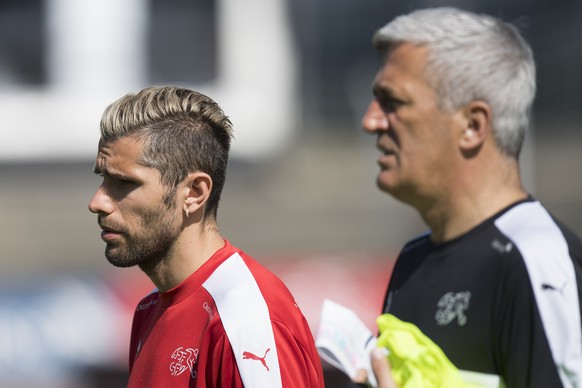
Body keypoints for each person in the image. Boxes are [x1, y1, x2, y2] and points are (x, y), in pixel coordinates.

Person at [356, 7, 582, 388]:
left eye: (392, 101)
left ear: (472, 126)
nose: (371, 121)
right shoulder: (412, 260)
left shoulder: (535, 259)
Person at [88, 86, 324, 387]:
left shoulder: (243, 319)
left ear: (195, 193)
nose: (97, 201)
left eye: (124, 182)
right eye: (103, 178)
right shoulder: (150, 310)